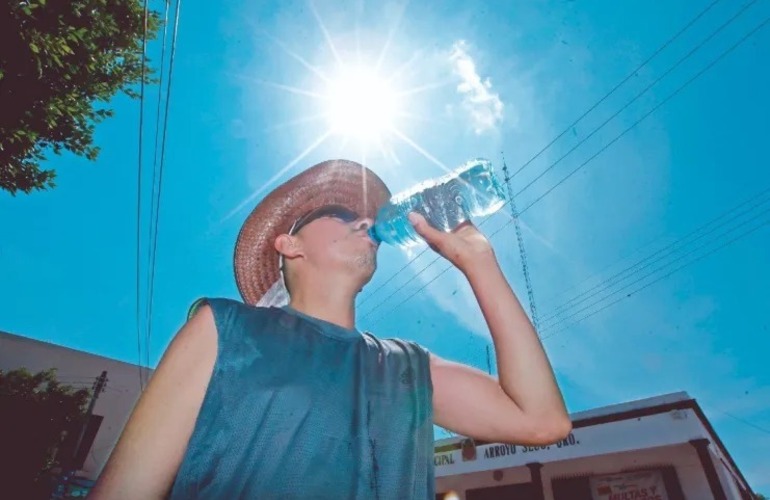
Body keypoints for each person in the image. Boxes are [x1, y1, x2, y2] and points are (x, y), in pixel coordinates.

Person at [90, 159, 571, 499]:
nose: (364, 219)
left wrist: (479, 261)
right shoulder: (224, 329)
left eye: (360, 213)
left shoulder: (405, 366)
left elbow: (543, 422)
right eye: (337, 215)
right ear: (289, 246)